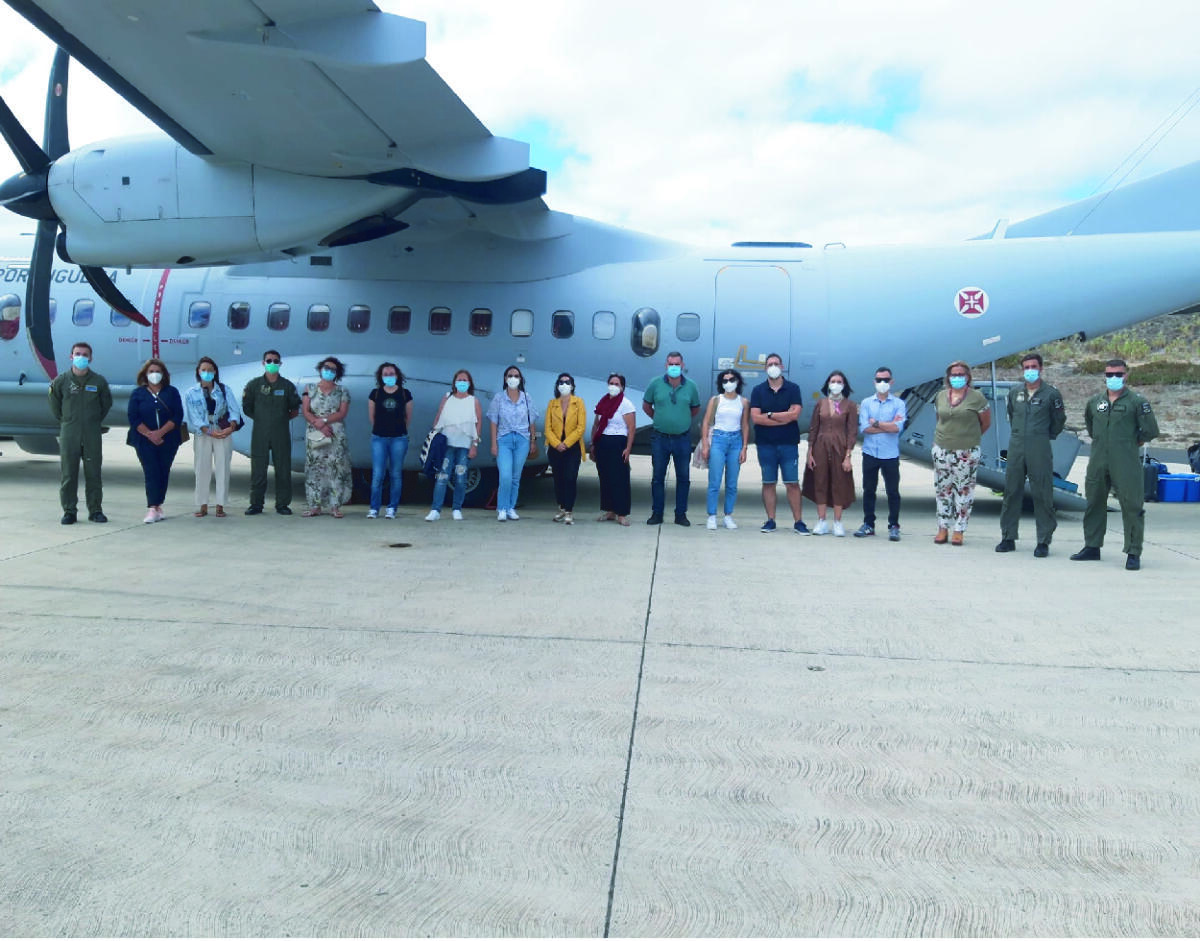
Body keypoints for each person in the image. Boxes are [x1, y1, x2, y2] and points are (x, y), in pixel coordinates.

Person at [1071, 359, 1159, 570]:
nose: (1113, 378)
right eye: (1109, 375)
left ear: (1126, 375)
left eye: (1118, 374)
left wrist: (1131, 441)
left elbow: (1150, 431)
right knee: (1094, 503)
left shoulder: (1137, 402)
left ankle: (1133, 551)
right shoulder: (1095, 402)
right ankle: (1092, 546)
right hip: (1099, 459)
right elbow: (1091, 427)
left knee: (1132, 506)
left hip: (1125, 461)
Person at [995, 353, 1066, 558]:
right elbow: (1011, 414)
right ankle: (1008, 536)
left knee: (1042, 493)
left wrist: (1044, 435)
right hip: (1016, 445)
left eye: (1033, 366)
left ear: (1041, 368)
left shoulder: (1051, 394)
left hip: (1039, 445)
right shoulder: (1015, 392)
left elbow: (1058, 421)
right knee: (1011, 491)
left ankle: (1043, 540)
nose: (1030, 370)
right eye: (1026, 367)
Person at [48, 341, 112, 524]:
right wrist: (68, 421)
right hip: (70, 433)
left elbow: (106, 404)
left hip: (92, 434)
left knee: (94, 474)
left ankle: (95, 510)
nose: (81, 357)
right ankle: (69, 511)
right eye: (78, 353)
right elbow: (55, 405)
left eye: (85, 354)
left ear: (90, 358)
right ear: (71, 356)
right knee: (69, 474)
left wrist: (93, 420)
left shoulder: (98, 381)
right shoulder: (61, 381)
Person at [931, 360, 991, 545]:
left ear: (967, 377)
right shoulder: (940, 396)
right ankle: (943, 527)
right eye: (953, 374)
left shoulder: (977, 397)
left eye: (960, 374)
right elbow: (939, 418)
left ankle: (959, 529)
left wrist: (967, 438)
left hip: (966, 451)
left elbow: (986, 422)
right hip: (942, 449)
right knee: (943, 490)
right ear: (948, 377)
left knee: (963, 490)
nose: (957, 378)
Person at [749, 352, 809, 534]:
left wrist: (770, 415)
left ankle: (799, 522)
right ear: (765, 368)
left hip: (788, 444)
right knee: (769, 483)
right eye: (769, 364)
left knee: (792, 483)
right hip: (766, 444)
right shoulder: (758, 390)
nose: (773, 367)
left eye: (776, 363)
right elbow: (756, 419)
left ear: (782, 367)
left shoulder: (793, 389)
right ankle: (770, 520)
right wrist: (783, 416)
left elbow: (795, 414)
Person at [643, 350, 701, 525]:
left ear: (682, 365)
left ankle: (681, 514)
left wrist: (680, 420)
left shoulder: (691, 386)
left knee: (683, 478)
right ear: (666, 365)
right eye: (670, 364)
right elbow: (646, 406)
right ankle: (657, 513)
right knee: (657, 478)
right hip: (660, 438)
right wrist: (660, 418)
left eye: (677, 364)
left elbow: (695, 409)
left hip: (682, 439)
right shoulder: (655, 384)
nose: (674, 367)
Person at [242, 350, 301, 515]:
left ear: (280, 364)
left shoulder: (287, 386)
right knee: (258, 469)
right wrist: (262, 419)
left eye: (276, 361)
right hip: (260, 433)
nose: (272, 363)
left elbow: (295, 408)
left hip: (280, 433)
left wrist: (280, 419)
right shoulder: (254, 385)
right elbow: (247, 407)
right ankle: (256, 504)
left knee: (283, 469)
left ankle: (282, 504)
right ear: (263, 363)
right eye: (269, 360)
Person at [126, 358, 185, 523]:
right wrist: (150, 435)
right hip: (144, 440)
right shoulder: (138, 393)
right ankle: (152, 507)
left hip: (168, 440)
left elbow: (177, 415)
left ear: (164, 374)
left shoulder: (171, 392)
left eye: (158, 372)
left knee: (163, 471)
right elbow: (133, 417)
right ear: (145, 374)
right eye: (151, 372)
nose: (154, 375)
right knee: (151, 471)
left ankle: (159, 505)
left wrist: (160, 433)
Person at [184, 356, 243, 518]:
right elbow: (194, 417)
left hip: (222, 429)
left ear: (215, 372)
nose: (207, 373)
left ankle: (220, 505)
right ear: (198, 372)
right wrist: (208, 431)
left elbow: (234, 410)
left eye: (210, 370)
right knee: (202, 467)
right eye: (204, 370)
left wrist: (230, 427)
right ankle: (202, 504)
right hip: (203, 432)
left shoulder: (224, 390)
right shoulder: (191, 393)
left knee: (223, 466)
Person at [802, 370, 858, 536]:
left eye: (839, 381)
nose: (835, 384)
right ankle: (821, 521)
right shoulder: (821, 403)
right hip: (820, 446)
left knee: (839, 483)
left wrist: (848, 455)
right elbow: (813, 428)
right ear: (828, 384)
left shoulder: (850, 405)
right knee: (820, 482)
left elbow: (852, 431)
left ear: (844, 385)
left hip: (840, 448)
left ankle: (838, 522)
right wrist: (809, 452)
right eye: (833, 381)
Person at [855, 366, 907, 541]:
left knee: (893, 492)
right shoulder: (866, 403)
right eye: (879, 380)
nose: (882, 383)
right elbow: (864, 429)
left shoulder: (899, 404)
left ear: (891, 382)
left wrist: (876, 423)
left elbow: (896, 429)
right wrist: (886, 425)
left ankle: (894, 525)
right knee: (869, 490)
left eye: (885, 380)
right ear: (874, 382)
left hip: (890, 454)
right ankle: (868, 524)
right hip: (870, 453)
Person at [426, 369, 482, 521]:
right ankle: (435, 510)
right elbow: (439, 416)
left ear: (469, 383)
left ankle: (457, 508)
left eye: (465, 380)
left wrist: (474, 444)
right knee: (442, 477)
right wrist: (434, 435)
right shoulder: (447, 397)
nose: (462, 382)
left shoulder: (474, 401)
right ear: (454, 382)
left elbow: (478, 423)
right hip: (447, 444)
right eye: (459, 379)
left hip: (464, 444)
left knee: (460, 478)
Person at [300, 356, 352, 517]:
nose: (329, 371)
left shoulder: (342, 391)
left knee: (335, 467)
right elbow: (306, 411)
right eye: (326, 368)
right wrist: (319, 424)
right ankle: (314, 506)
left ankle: (335, 506)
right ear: (320, 369)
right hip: (315, 431)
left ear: (337, 373)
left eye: (333, 369)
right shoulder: (309, 388)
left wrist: (324, 421)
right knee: (314, 467)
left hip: (335, 432)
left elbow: (342, 413)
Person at [699, 368, 749, 530]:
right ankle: (712, 515)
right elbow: (706, 422)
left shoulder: (743, 402)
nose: (728, 383)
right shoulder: (716, 400)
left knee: (732, 483)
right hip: (719, 440)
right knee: (714, 481)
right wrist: (706, 445)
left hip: (736, 441)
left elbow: (745, 425)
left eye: (732, 379)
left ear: (738, 381)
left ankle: (728, 515)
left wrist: (744, 448)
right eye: (725, 380)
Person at [487, 365, 539, 521]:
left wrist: (532, 441)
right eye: (510, 375)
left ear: (521, 379)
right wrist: (494, 444)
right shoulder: (499, 398)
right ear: (505, 378)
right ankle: (501, 508)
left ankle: (510, 507)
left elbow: (532, 421)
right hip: (504, 439)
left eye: (516, 376)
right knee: (505, 475)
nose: (513, 378)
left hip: (522, 439)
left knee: (516, 476)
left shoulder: (526, 397)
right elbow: (493, 421)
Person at [366, 362, 413, 519]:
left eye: (391, 374)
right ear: (380, 377)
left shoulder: (405, 394)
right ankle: (374, 508)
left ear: (397, 376)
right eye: (385, 374)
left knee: (395, 474)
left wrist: (398, 431)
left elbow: (408, 418)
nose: (389, 377)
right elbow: (372, 417)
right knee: (378, 474)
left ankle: (392, 508)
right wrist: (382, 430)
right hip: (379, 438)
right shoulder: (375, 394)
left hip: (399, 439)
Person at [592, 373, 637, 526]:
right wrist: (593, 444)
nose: (613, 386)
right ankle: (610, 510)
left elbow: (631, 428)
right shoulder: (602, 402)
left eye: (617, 384)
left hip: (618, 442)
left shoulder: (626, 404)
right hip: (602, 442)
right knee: (605, 477)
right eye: (611, 383)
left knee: (620, 478)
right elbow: (596, 425)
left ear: (622, 387)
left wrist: (628, 448)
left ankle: (622, 513)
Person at [544, 372, 587, 524]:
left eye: (567, 382)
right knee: (558, 479)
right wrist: (556, 443)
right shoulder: (552, 404)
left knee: (570, 478)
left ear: (572, 385)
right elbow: (547, 428)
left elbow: (580, 427)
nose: (564, 385)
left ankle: (569, 510)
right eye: (561, 382)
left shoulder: (578, 403)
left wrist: (566, 443)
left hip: (572, 447)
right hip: (555, 447)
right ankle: (561, 508)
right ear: (557, 385)